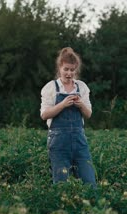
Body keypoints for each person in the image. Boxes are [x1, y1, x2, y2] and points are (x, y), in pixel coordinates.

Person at [40, 47, 96, 187]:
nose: (69, 73)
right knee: (61, 184)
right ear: (60, 68)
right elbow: (44, 115)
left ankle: (92, 208)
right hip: (59, 143)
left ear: (76, 70)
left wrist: (80, 105)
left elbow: (88, 114)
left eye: (72, 70)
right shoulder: (51, 87)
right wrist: (63, 104)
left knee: (89, 182)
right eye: (66, 69)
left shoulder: (81, 87)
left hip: (79, 141)